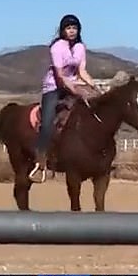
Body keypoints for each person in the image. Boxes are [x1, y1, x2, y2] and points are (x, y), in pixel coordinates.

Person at [29, 14, 98, 182]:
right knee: (47, 122)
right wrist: (75, 89)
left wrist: (94, 86)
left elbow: (82, 72)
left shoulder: (81, 47)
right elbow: (60, 76)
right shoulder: (57, 47)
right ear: (63, 30)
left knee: (90, 113)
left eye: (74, 28)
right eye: (68, 28)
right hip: (54, 87)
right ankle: (40, 160)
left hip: (73, 85)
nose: (72, 31)